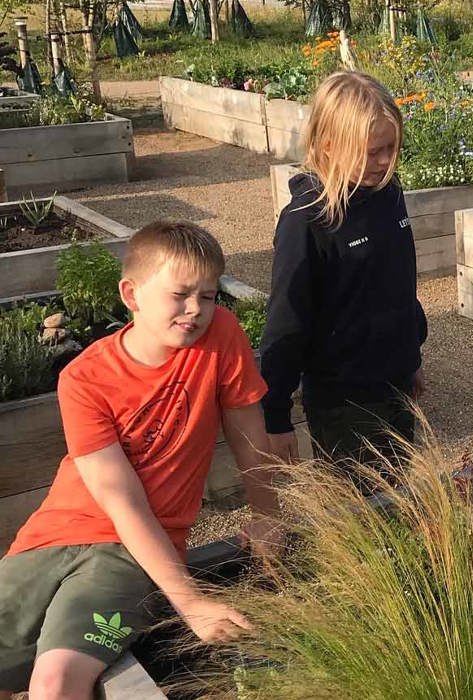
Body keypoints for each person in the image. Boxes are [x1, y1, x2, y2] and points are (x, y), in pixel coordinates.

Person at [0, 221, 282, 698]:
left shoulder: (221, 338)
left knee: (56, 681)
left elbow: (247, 436)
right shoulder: (84, 379)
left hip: (130, 552)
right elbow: (120, 498)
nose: (196, 309)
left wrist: (267, 516)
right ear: (131, 294)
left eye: (209, 296)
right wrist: (191, 603)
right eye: (180, 294)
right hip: (49, 538)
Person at [261, 71, 427, 488]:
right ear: (330, 145)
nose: (386, 162)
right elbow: (286, 320)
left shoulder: (388, 193)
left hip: (396, 382)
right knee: (360, 507)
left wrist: (413, 355)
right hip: (344, 398)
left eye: (391, 148)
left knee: (398, 495)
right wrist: (275, 414)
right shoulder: (308, 221)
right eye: (372, 152)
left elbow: (399, 282)